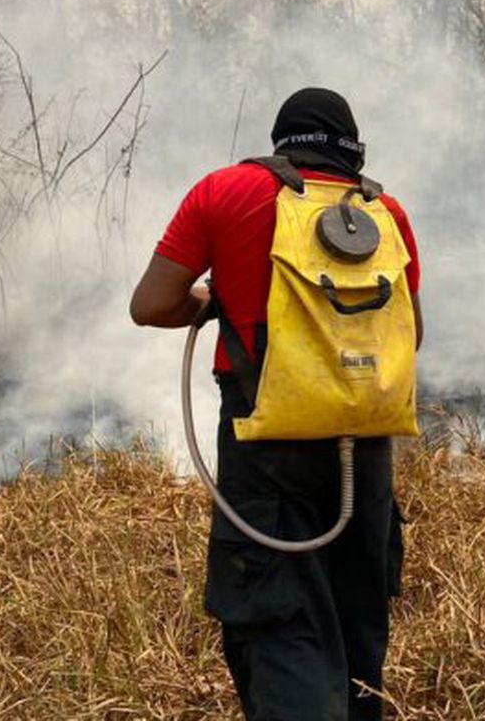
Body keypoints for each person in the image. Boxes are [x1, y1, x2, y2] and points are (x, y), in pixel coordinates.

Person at [130, 87, 422, 719]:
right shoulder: (386, 211)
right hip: (365, 445)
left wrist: (209, 303)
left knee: (279, 616)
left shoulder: (224, 192)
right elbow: (411, 334)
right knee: (356, 625)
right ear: (353, 147)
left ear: (279, 142)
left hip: (265, 440)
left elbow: (150, 305)